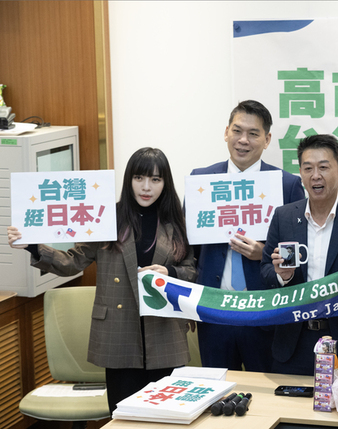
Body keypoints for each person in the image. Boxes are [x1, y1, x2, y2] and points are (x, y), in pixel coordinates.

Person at [7, 147, 196, 413]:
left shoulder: (176, 223)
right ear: (128, 179)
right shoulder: (106, 217)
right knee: (123, 417)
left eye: (155, 179)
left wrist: (171, 273)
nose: (146, 187)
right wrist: (34, 247)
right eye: (139, 178)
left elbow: (191, 269)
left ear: (165, 183)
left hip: (164, 331)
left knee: (168, 416)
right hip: (118, 332)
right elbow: (73, 261)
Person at [190, 100, 304, 372]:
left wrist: (264, 254)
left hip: (264, 312)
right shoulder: (201, 180)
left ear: (267, 140)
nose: (243, 140)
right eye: (237, 131)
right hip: (214, 311)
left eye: (253, 134)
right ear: (226, 132)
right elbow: (189, 250)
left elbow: (298, 249)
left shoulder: (286, 184)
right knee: (217, 390)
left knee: (265, 390)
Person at [260, 134, 338, 375]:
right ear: (301, 173)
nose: (315, 175)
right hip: (294, 340)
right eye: (308, 168)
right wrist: (282, 276)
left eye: (324, 167)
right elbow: (265, 270)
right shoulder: (284, 217)